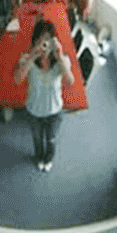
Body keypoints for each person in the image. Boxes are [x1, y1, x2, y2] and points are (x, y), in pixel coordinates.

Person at [14, 19, 74, 172]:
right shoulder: (26, 58)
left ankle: (48, 159)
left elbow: (70, 82)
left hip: (55, 111)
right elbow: (17, 80)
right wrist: (32, 57)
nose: (45, 44)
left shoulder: (62, 60)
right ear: (35, 41)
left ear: (54, 42)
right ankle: (39, 157)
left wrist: (60, 58)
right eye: (41, 40)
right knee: (37, 139)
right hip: (34, 110)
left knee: (51, 139)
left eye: (48, 40)